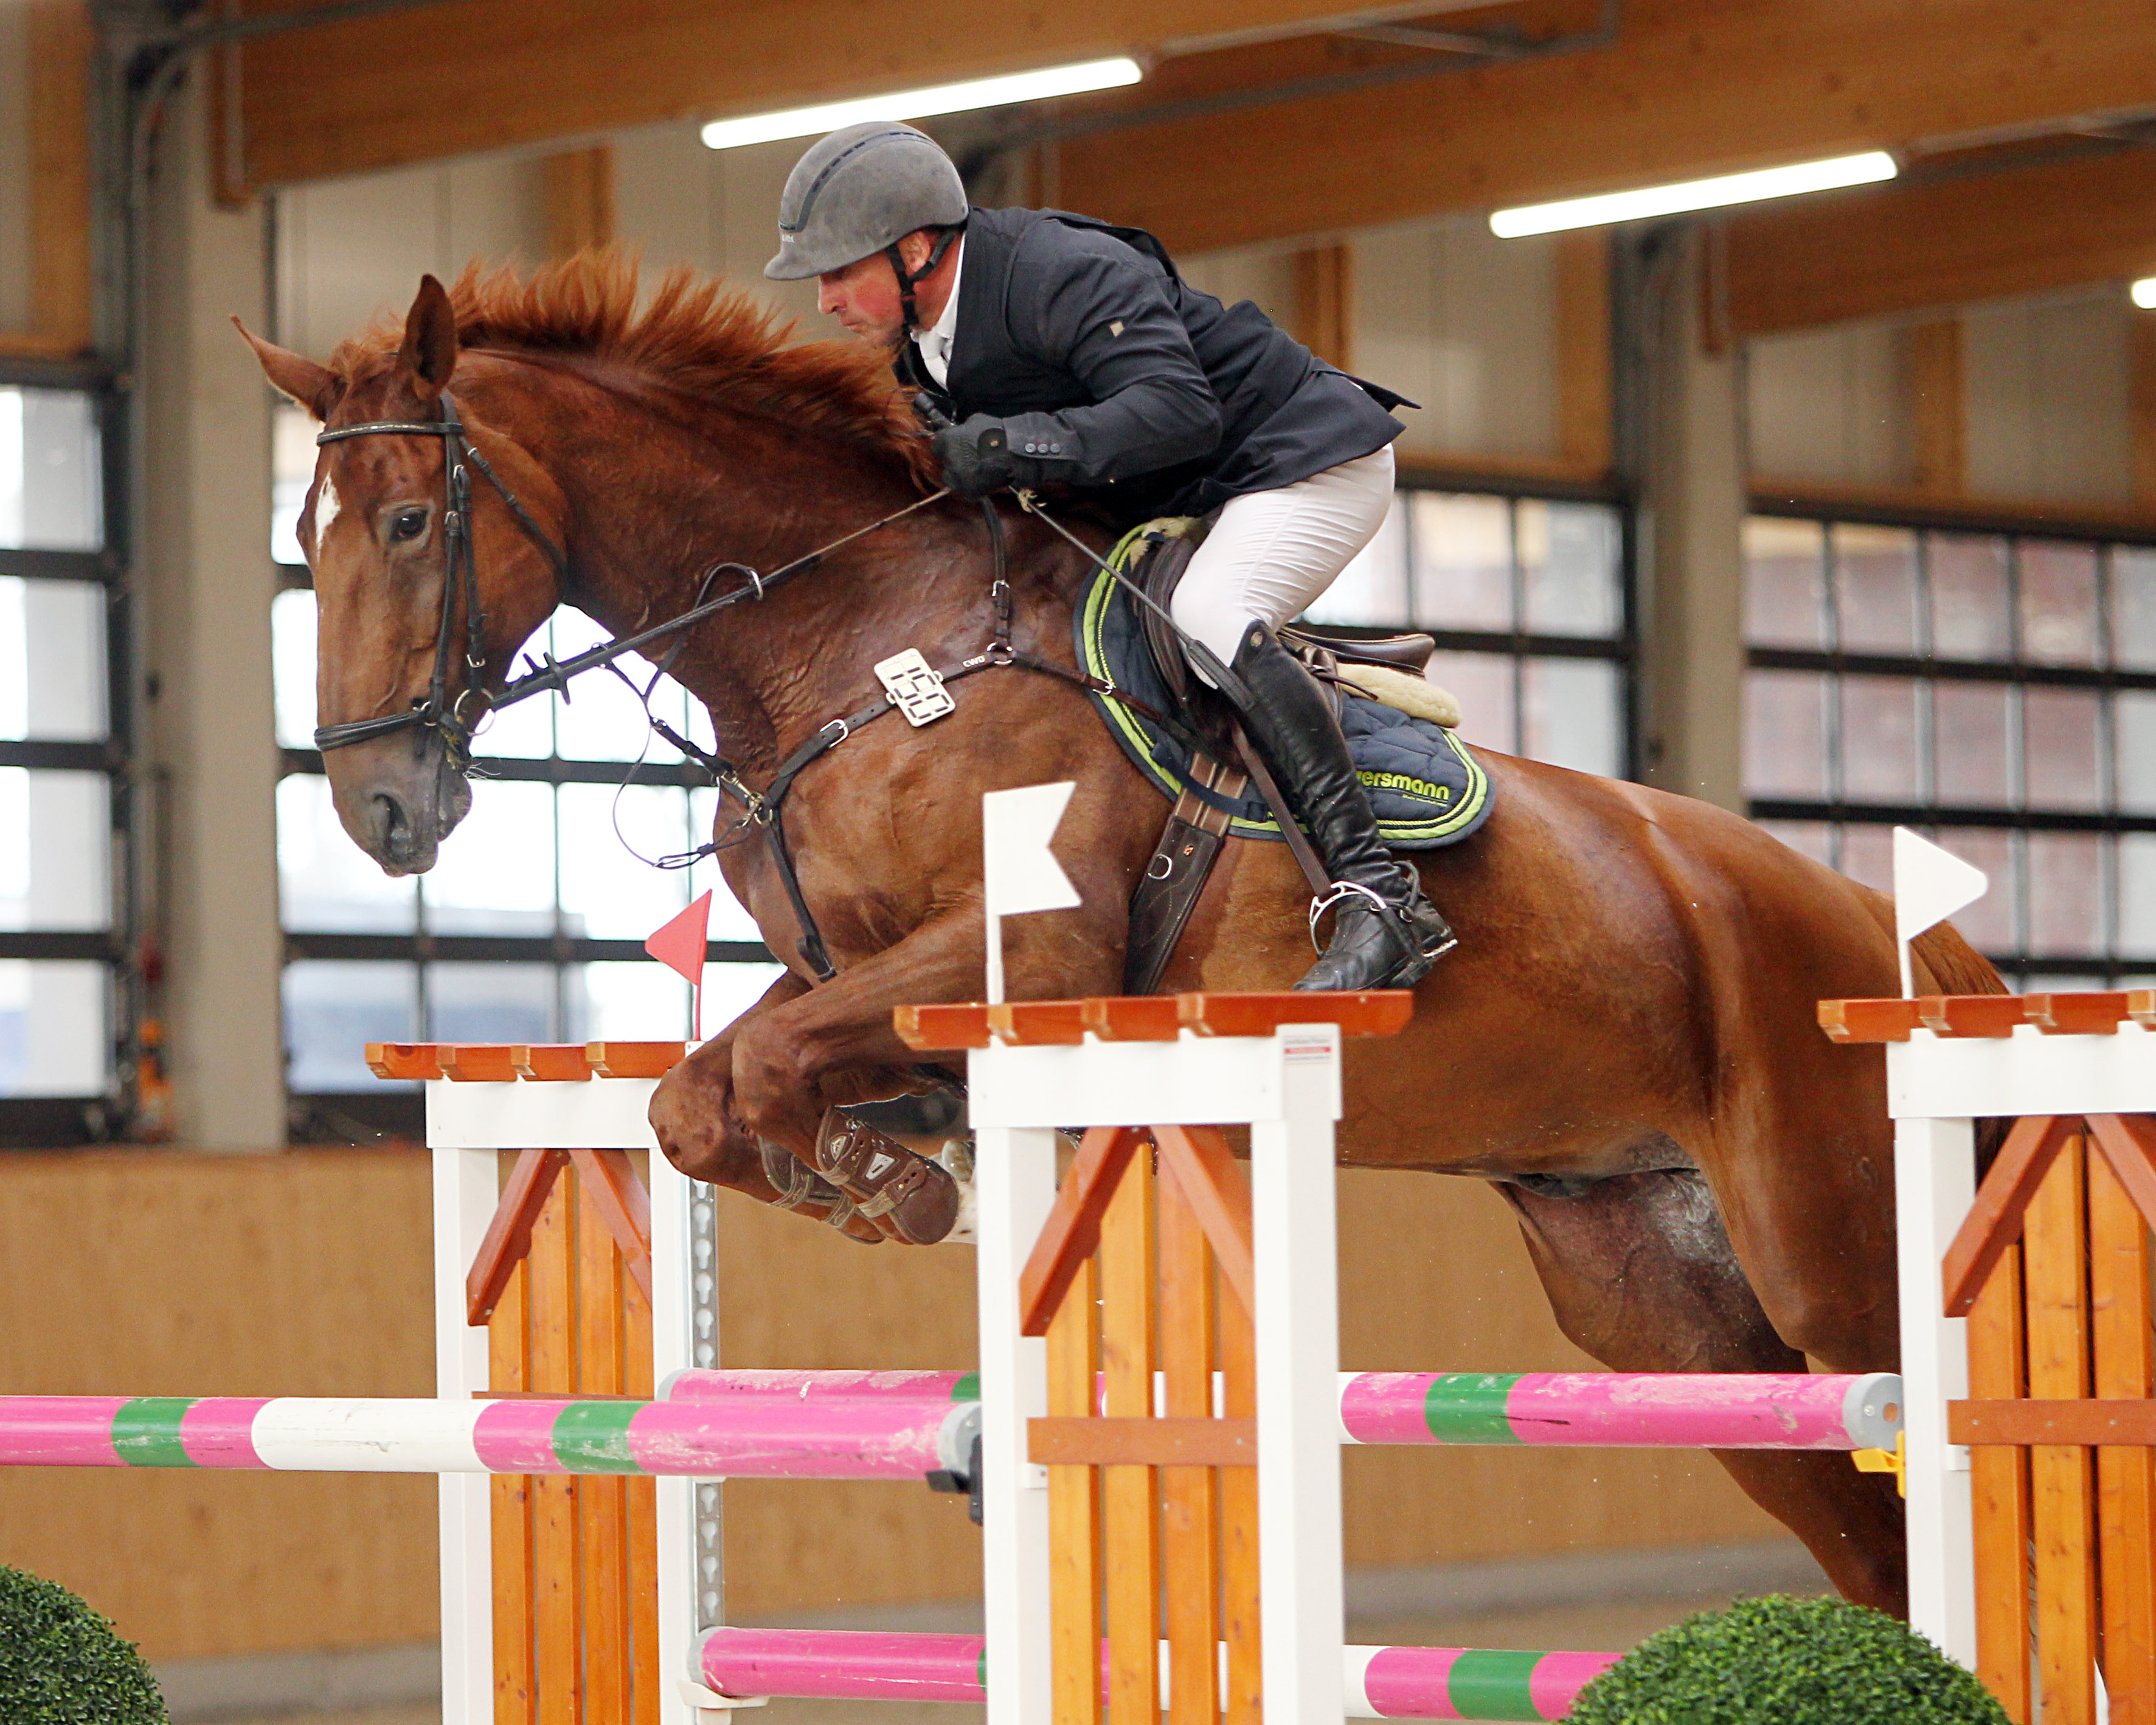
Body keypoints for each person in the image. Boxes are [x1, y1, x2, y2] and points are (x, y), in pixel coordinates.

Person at [766, 120, 1455, 993]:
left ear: (913, 251)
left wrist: (1018, 444)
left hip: (1301, 462)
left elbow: (1178, 413)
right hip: (1185, 498)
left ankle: (1379, 894)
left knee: (1209, 617)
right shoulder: (922, 347)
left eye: (837, 274)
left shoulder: (1060, 271)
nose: (824, 301)